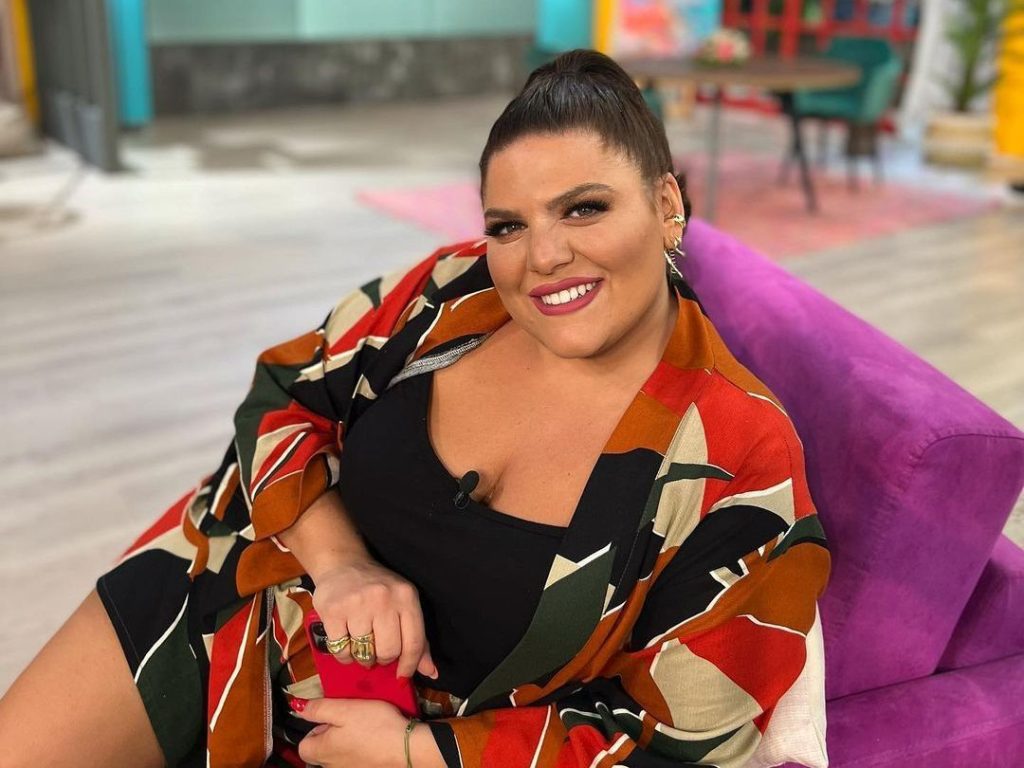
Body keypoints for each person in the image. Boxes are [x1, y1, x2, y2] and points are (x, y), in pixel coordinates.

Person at [1, 49, 831, 768]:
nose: (543, 256)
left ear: (667, 205)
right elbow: (283, 394)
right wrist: (341, 563)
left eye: (585, 208)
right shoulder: (454, 290)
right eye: (508, 225)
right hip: (228, 599)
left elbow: (679, 742)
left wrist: (415, 753)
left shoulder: (738, 451)